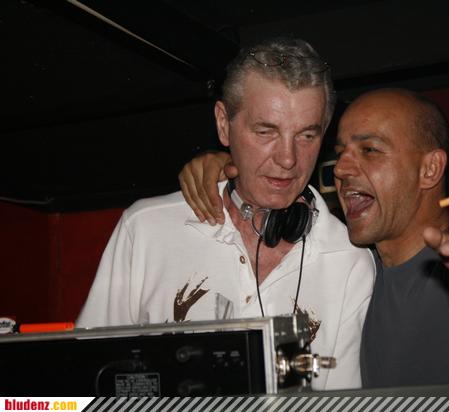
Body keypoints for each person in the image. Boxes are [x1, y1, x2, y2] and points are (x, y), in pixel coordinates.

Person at [179, 88, 449, 387]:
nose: (341, 169)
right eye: (341, 152)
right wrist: (232, 170)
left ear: (430, 169)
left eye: (370, 150)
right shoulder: (352, 268)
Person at [76, 37, 375, 391]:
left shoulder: (350, 261)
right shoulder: (145, 230)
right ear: (223, 123)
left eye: (306, 136)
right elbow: (90, 378)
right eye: (266, 131)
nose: (288, 159)